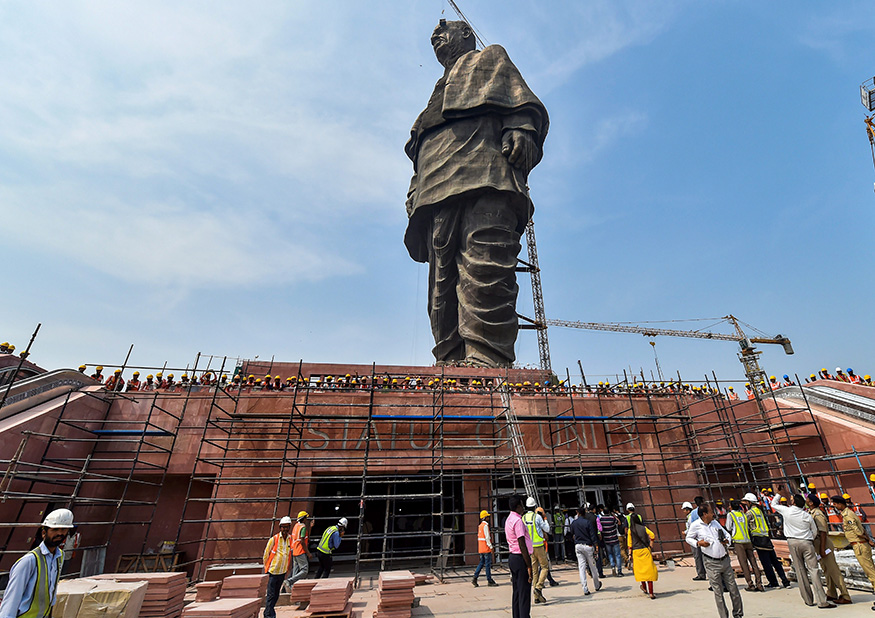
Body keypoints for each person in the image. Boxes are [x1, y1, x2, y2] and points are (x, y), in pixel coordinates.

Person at [403, 19, 549, 368]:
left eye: (445, 30)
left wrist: (521, 127)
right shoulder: (437, 91)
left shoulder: (490, 58)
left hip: (486, 171)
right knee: (442, 282)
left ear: (467, 34)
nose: (437, 34)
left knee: (485, 263)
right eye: (433, 36)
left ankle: (486, 357)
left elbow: (520, 102)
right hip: (436, 183)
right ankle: (451, 361)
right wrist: (414, 188)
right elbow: (420, 144)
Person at [0, 508, 74, 618]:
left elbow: (51, 593)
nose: (59, 533)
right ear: (44, 533)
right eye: (55, 529)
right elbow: (11, 601)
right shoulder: (29, 561)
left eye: (63, 529)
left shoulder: (60, 557)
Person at [771, 493, 834, 608]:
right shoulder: (807, 515)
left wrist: (779, 494)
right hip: (807, 542)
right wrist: (808, 538)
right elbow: (814, 531)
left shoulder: (787, 511)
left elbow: (773, 504)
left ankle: (808, 600)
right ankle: (822, 601)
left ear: (794, 502)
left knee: (800, 571)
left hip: (792, 542)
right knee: (814, 570)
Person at [686, 504, 743, 618]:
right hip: (711, 563)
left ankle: (738, 614)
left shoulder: (715, 523)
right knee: (718, 592)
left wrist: (727, 540)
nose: (713, 514)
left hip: (725, 560)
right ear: (704, 514)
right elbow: (688, 538)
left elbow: (726, 534)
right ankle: (724, 616)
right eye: (711, 512)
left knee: (733, 589)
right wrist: (698, 543)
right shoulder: (696, 525)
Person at [831, 494, 875, 610]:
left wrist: (867, 540)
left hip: (860, 545)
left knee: (871, 573)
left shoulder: (847, 515)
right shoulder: (848, 513)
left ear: (840, 504)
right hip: (861, 544)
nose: (834, 506)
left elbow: (859, 531)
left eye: (835, 504)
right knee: (871, 571)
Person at [806, 494, 851, 605]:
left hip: (824, 545)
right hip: (819, 545)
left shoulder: (817, 514)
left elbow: (823, 533)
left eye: (807, 500)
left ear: (811, 502)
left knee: (834, 570)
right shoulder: (811, 513)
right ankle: (831, 592)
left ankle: (845, 595)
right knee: (826, 570)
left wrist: (822, 549)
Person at [740, 492, 790, 589]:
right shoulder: (759, 511)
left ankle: (773, 582)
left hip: (758, 539)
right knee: (775, 561)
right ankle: (785, 581)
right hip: (766, 538)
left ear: (750, 502)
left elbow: (745, 524)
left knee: (766, 563)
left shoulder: (750, 513)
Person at [725, 500, 763, 591]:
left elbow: (728, 527)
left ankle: (750, 584)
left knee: (744, 564)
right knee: (753, 562)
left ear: (730, 507)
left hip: (738, 542)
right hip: (748, 541)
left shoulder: (731, 515)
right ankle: (759, 584)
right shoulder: (743, 514)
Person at [505, 495, 533, 618]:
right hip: (520, 557)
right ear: (517, 507)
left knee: (516, 591)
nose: (523, 508)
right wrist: (529, 565)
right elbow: (522, 544)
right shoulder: (518, 521)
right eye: (521, 505)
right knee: (524, 593)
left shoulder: (509, 519)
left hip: (512, 557)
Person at [262, 515, 293, 618]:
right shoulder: (274, 539)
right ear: (280, 528)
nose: (285, 529)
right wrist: (267, 568)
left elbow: (288, 555)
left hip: (282, 572)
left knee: (276, 595)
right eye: (283, 527)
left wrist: (288, 569)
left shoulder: (290, 539)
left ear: (289, 527)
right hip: (273, 572)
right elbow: (266, 554)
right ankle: (268, 615)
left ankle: (269, 612)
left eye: (287, 527)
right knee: (270, 595)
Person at [522, 498, 550, 603]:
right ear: (534, 507)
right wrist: (545, 518)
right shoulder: (537, 517)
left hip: (529, 548)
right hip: (538, 546)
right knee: (545, 567)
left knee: (534, 571)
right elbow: (547, 529)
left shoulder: (523, 518)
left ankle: (536, 597)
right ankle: (538, 587)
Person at [570, 505, 602, 595]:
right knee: (593, 567)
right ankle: (596, 585)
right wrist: (596, 546)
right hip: (588, 546)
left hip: (578, 546)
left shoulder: (574, 523)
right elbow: (592, 535)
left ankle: (585, 588)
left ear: (578, 513)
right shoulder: (587, 523)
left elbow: (571, 533)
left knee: (581, 567)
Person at [627, 513, 657, 599]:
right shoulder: (644, 528)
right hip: (645, 550)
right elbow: (652, 535)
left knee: (641, 572)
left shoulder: (630, 530)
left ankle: (644, 588)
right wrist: (651, 545)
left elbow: (629, 544)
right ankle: (651, 593)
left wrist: (629, 554)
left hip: (636, 552)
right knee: (649, 572)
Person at [286, 511, 312, 588]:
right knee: (304, 570)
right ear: (303, 519)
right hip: (301, 551)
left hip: (294, 550)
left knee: (295, 570)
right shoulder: (303, 528)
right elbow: (302, 541)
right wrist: (308, 553)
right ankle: (290, 581)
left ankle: (292, 588)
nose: (306, 519)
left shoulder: (296, 526)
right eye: (306, 518)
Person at [682, 500, 707, 581]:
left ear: (688, 510)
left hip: (694, 539)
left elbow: (691, 528)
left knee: (697, 557)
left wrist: (685, 532)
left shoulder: (691, 517)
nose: (683, 511)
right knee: (703, 556)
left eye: (684, 510)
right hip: (700, 537)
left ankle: (701, 574)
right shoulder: (695, 514)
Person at [472, 510, 497, 587]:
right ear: (485, 517)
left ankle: (475, 577)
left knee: (481, 563)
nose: (489, 518)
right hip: (486, 548)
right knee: (488, 565)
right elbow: (487, 537)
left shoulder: (480, 526)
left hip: (481, 548)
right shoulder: (485, 526)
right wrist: (491, 547)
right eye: (488, 517)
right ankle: (489, 580)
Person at [598, 506, 624, 576]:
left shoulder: (601, 519)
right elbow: (619, 523)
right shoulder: (612, 519)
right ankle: (619, 571)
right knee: (617, 555)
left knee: (610, 554)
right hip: (614, 539)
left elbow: (600, 528)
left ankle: (612, 566)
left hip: (607, 539)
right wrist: (614, 516)